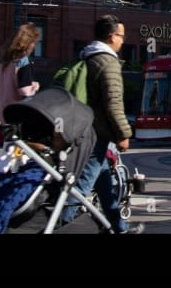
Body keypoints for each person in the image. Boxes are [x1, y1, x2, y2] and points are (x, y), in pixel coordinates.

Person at [60, 14, 144, 234]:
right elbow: (113, 103)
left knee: (105, 187)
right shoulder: (108, 62)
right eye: (121, 36)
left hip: (86, 132)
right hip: (95, 137)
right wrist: (123, 134)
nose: (123, 40)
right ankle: (58, 226)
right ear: (111, 35)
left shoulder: (86, 57)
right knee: (79, 190)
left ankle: (118, 227)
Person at [0, 22, 41, 120]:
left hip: (0, 114)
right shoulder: (24, 60)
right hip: (16, 115)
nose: (34, 45)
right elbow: (25, 92)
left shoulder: (0, 60)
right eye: (34, 42)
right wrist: (34, 87)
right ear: (29, 43)